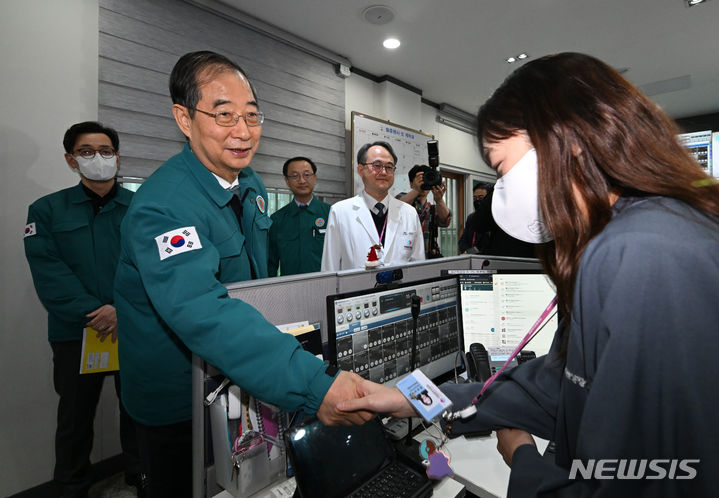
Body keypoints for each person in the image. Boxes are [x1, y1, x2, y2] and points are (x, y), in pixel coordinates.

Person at [338, 52, 719, 496]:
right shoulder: (627, 240)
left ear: (568, 137)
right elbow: (562, 382)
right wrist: (412, 398)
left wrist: (522, 458)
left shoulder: (643, 255)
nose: (502, 191)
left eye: (502, 168)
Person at [113, 51, 370, 496]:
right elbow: (204, 312)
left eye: (252, 115)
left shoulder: (248, 183)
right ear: (183, 118)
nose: (243, 131)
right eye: (224, 114)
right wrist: (312, 383)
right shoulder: (163, 207)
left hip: (240, 374)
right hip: (179, 396)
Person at [24, 121, 141, 497]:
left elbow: (154, 265)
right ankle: (71, 486)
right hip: (77, 332)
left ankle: (141, 477)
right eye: (87, 151)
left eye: (106, 151)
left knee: (139, 409)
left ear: (118, 157)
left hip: (135, 327)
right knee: (75, 418)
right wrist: (96, 312)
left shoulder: (141, 208)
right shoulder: (46, 210)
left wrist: (123, 310)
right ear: (71, 160)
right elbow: (48, 271)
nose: (98, 158)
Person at [321, 141, 425, 270]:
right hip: (357, 289)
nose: (383, 172)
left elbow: (419, 266)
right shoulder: (340, 212)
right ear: (361, 169)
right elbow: (330, 268)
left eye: (389, 167)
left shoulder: (409, 213)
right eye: (377, 165)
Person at [268, 156, 331, 275]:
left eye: (307, 175)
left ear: (315, 178)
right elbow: (271, 263)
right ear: (287, 181)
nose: (302, 180)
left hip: (325, 286)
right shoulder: (277, 219)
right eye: (295, 176)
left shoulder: (331, 214)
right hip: (290, 288)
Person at [397, 165, 452, 258]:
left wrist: (439, 200)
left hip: (425, 259)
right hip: (402, 258)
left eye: (426, 179)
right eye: (420, 179)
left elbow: (445, 221)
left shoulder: (432, 208)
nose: (423, 183)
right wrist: (416, 190)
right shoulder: (402, 199)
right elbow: (395, 209)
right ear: (411, 184)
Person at [457, 183, 490, 253]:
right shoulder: (471, 218)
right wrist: (468, 251)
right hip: (471, 258)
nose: (477, 201)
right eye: (475, 198)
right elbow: (462, 242)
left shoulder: (493, 220)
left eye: (481, 198)